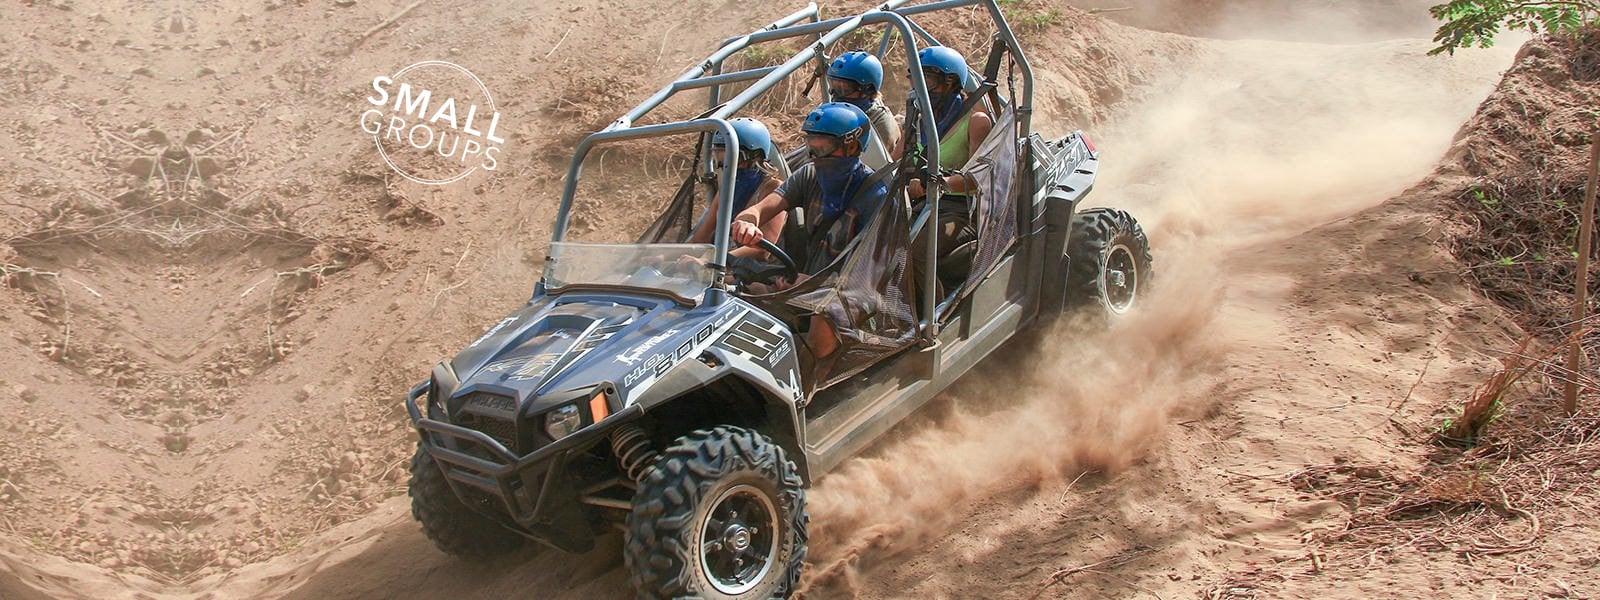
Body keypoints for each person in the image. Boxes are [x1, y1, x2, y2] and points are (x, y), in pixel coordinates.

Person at [730, 102, 890, 359]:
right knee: (742, 292)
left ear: (851, 146)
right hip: (811, 282)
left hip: (860, 289)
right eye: (811, 148)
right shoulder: (808, 175)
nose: (815, 157)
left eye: (823, 148)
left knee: (824, 317)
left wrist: (818, 285)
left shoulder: (877, 196)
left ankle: (808, 392)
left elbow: (873, 271)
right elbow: (762, 209)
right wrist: (748, 220)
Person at [897, 45, 993, 198]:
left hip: (955, 210)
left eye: (927, 82)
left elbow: (978, 177)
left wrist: (937, 183)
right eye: (916, 82)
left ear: (950, 82)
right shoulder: (914, 124)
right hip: (915, 207)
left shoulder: (976, 123)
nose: (921, 90)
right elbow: (892, 166)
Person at [689, 117, 782, 244]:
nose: (725, 166)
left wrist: (708, 260)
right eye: (720, 159)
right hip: (723, 260)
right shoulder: (727, 189)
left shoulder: (773, 189)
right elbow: (700, 238)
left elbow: (761, 252)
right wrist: (667, 256)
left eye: (733, 159)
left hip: (761, 264)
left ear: (755, 157)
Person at [827, 51, 899, 169]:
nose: (836, 94)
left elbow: (867, 174)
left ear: (867, 90)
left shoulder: (881, 125)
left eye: (844, 88)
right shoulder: (841, 114)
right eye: (834, 86)